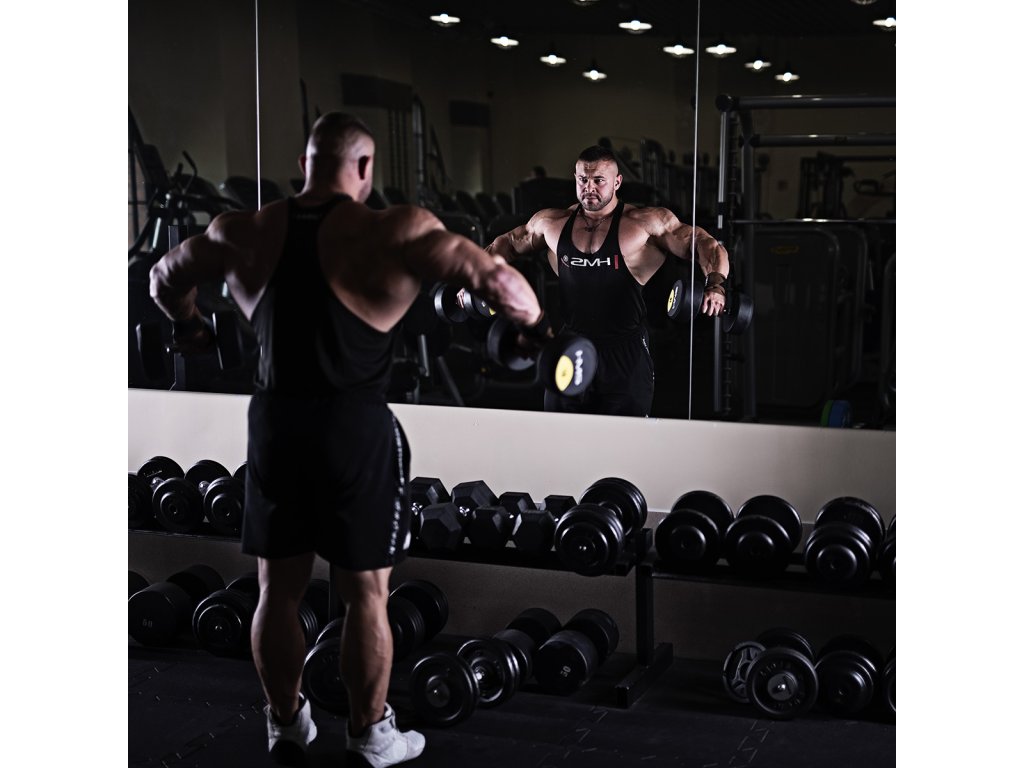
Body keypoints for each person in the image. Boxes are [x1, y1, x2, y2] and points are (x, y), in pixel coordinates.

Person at [148, 112, 545, 767]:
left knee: (277, 591)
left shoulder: (242, 231)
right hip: (353, 428)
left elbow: (165, 277)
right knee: (366, 594)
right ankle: (369, 735)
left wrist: (190, 327)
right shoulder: (395, 229)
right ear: (364, 167)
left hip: (275, 424)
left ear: (304, 164)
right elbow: (500, 282)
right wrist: (532, 327)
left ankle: (284, 725)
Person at [486, 144, 730, 418]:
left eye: (599, 180)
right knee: (560, 434)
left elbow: (705, 243)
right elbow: (507, 243)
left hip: (625, 353)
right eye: (583, 179)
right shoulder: (551, 223)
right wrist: (473, 282)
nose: (589, 187)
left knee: (625, 439)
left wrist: (715, 284)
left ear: (617, 182)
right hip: (571, 346)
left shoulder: (644, 223)